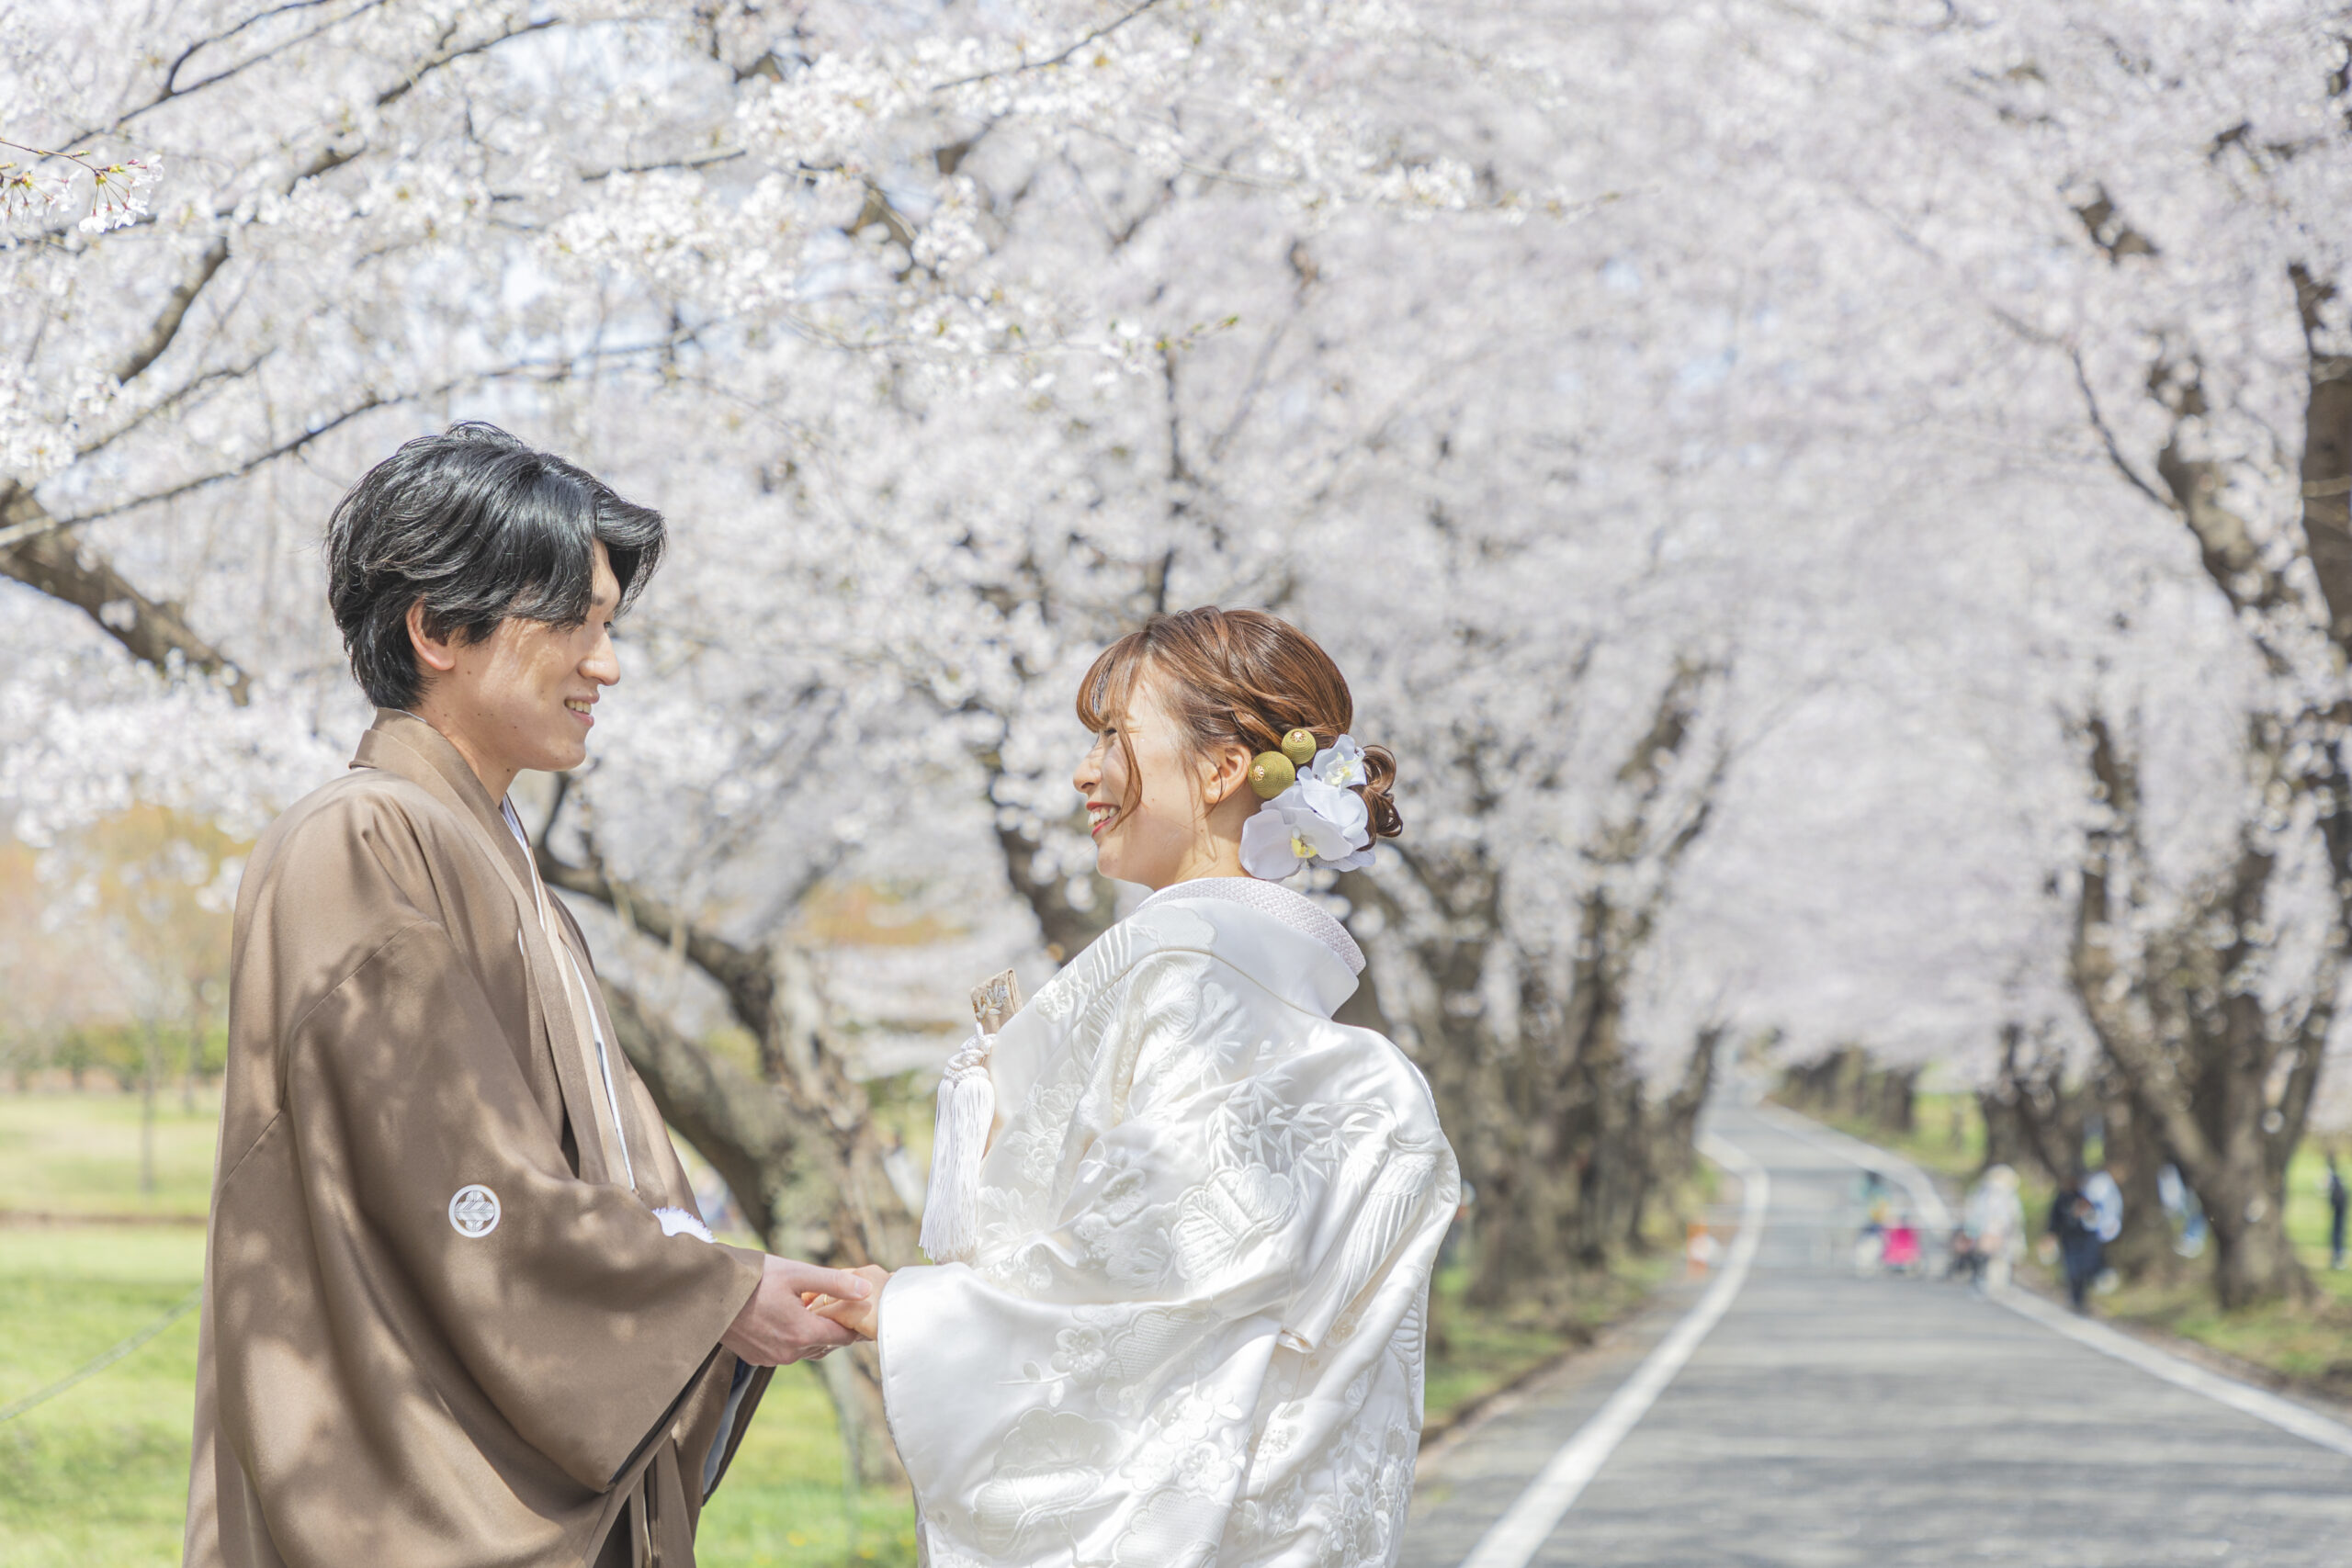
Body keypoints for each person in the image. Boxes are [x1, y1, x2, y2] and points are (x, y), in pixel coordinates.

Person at [184, 424, 871, 1568]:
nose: (607, 667)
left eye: (609, 627)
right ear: (437, 628)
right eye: (573, 625)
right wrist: (709, 1296)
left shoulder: (481, 849)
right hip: (413, 1496)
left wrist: (719, 1291)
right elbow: (463, 1187)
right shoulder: (362, 839)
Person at [813, 607, 1460, 1568]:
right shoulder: (1251, 986)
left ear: (1221, 769)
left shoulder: (1195, 971)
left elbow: (1149, 1251)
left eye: (1112, 739)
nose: (1084, 774)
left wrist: (910, 1313)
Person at [1962, 1163, 2026, 1292]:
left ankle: (1987, 1279)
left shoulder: (1986, 1192)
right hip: (1993, 1229)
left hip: (1996, 1229)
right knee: (1992, 1255)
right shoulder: (1994, 1193)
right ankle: (1990, 1280)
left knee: (1993, 1255)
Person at [2049, 1173, 2105, 1314]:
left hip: (2086, 1240)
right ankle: (2074, 1299)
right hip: (2069, 1239)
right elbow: (2054, 1219)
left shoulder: (2087, 1197)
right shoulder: (2062, 1198)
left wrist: (2085, 1211)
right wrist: (2051, 1234)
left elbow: (2097, 1218)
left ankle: (2082, 1300)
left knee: (2086, 1270)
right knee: (2072, 1270)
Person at [2329, 1154, 2346, 1270]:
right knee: (2337, 1233)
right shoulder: (2336, 1179)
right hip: (2340, 1209)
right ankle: (2337, 1256)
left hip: (2339, 1210)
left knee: (2337, 1233)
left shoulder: (2333, 1179)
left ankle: (2338, 1256)